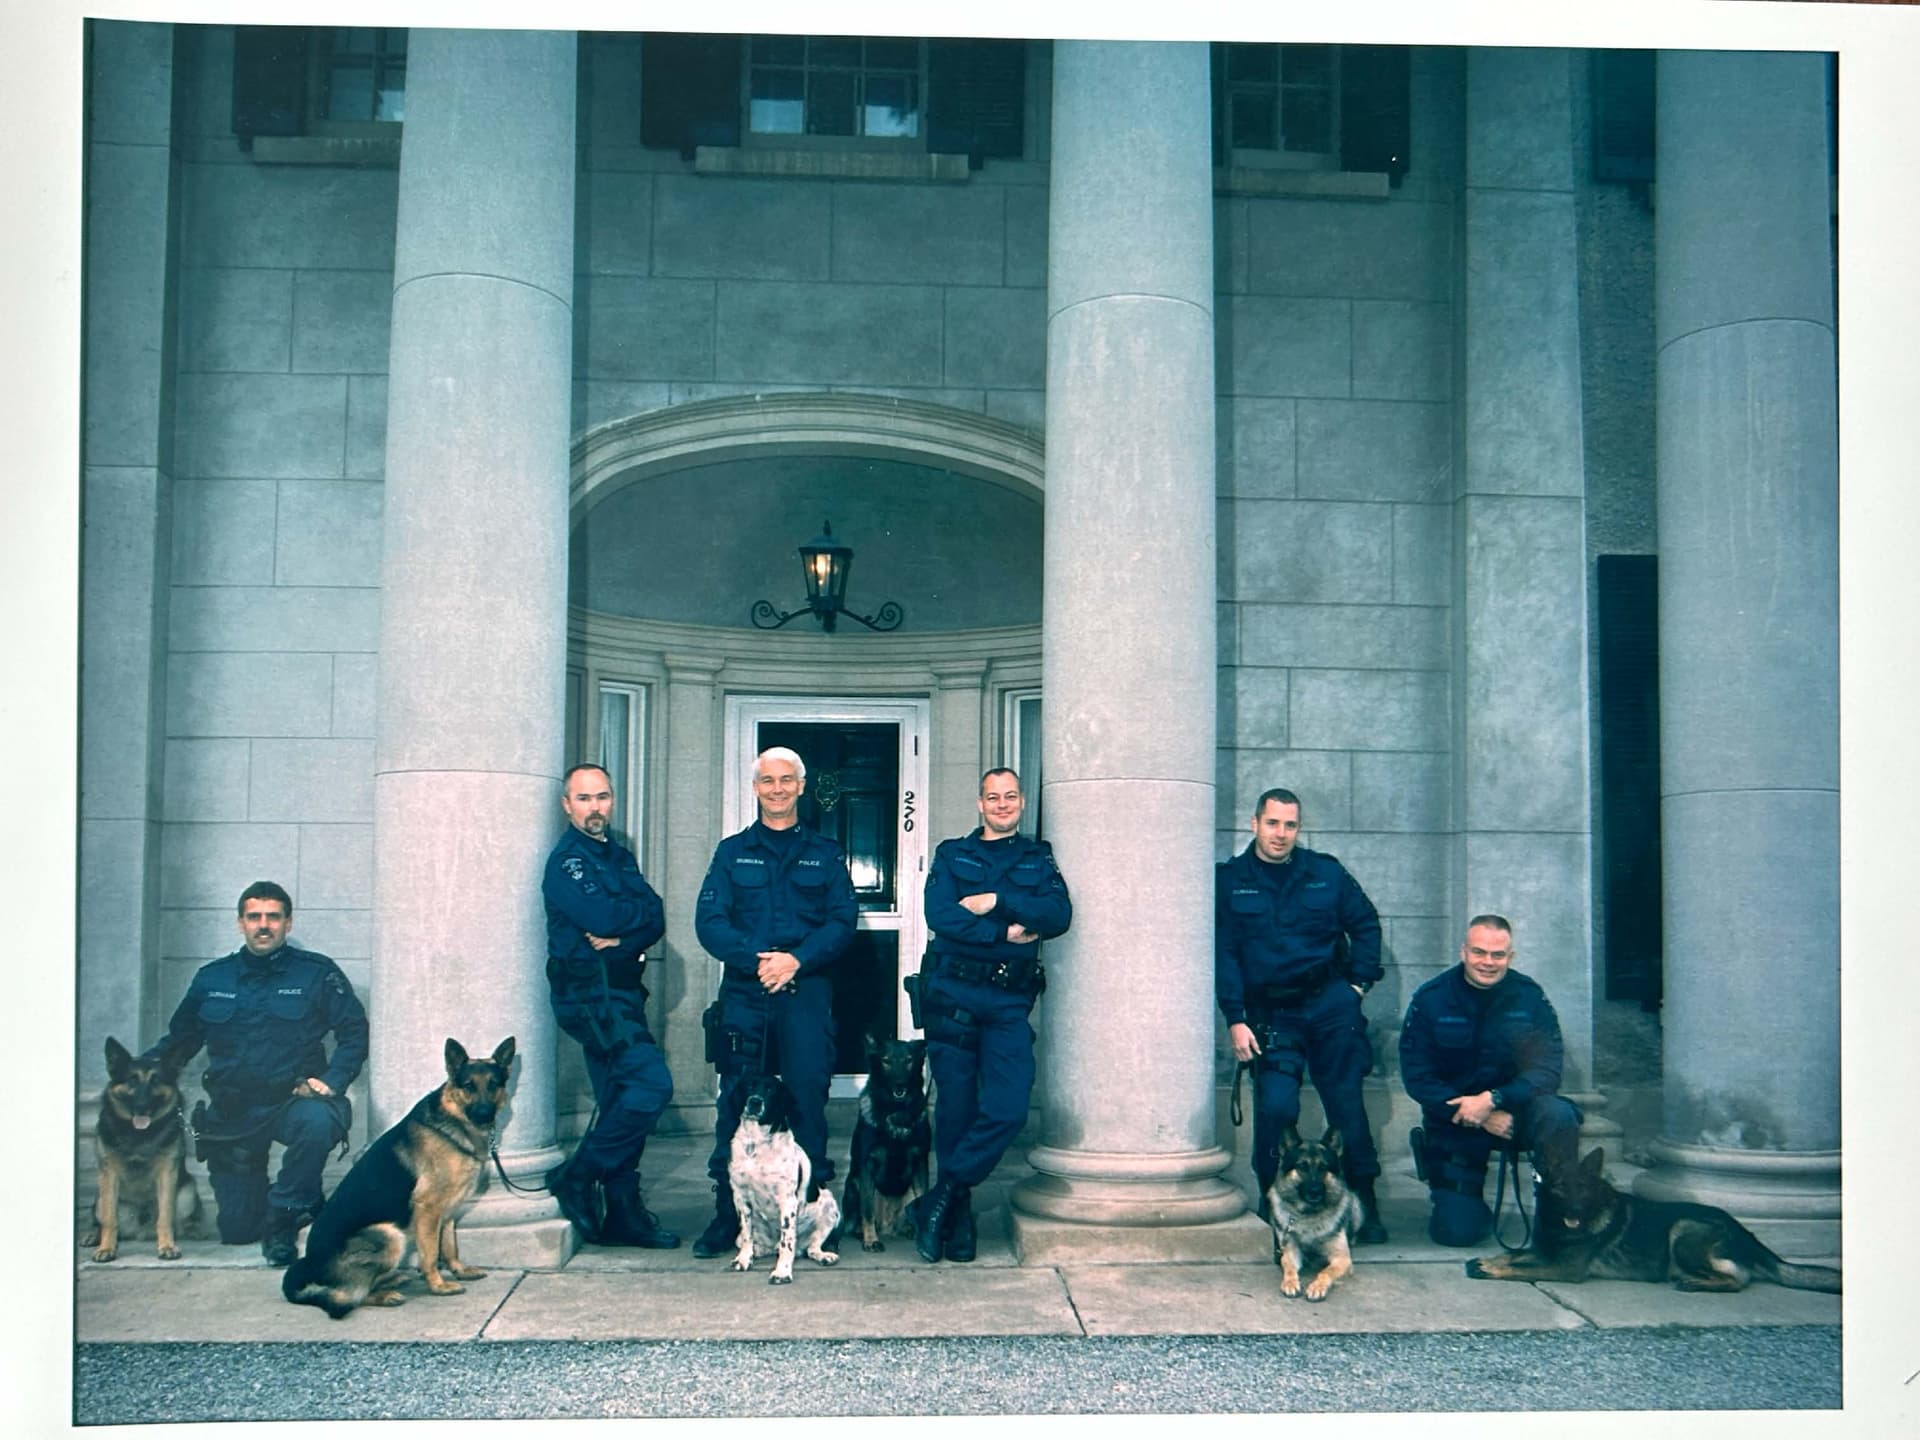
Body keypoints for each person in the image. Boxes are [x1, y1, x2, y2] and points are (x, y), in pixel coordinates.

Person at [690, 746, 858, 1258]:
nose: (778, 789)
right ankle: (727, 1215)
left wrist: (796, 961)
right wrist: (756, 961)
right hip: (746, 992)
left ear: (802, 786)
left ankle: (811, 1209)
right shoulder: (731, 852)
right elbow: (710, 922)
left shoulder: (825, 855)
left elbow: (841, 921)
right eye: (768, 781)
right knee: (736, 1101)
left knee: (806, 1096)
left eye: (787, 780)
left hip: (805, 992)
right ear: (756, 787)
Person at [147, 880, 368, 1266]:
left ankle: (284, 1217)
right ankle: (300, 1201)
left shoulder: (316, 973)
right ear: (240, 923)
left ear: (288, 923)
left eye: (273, 917)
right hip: (234, 1111)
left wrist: (333, 1080)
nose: (263, 925)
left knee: (317, 1122)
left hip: (292, 1101)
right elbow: (179, 1042)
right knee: (237, 1230)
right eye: (254, 917)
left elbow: (354, 1031)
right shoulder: (212, 979)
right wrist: (140, 1072)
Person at [909, 767, 1072, 1263]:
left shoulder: (1037, 857)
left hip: (1007, 1003)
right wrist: (1002, 933)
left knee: (1008, 1108)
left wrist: (998, 899)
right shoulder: (952, 854)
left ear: (1021, 803)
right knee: (955, 1110)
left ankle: (942, 1196)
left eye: (1010, 797)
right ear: (979, 804)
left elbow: (1058, 916)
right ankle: (955, 1220)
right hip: (954, 995)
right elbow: (941, 915)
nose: (1002, 805)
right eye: (992, 797)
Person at [1216, 788, 1389, 1244]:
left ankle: (1364, 1205)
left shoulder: (1325, 874)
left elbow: (1366, 924)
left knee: (1346, 1106)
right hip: (1271, 1014)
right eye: (1272, 823)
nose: (1281, 834)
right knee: (1276, 1108)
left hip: (1330, 1006)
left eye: (1290, 825)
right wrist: (1235, 1017)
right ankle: (1273, 1202)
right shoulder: (1230, 880)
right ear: (1254, 823)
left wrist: (1357, 986)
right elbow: (1225, 954)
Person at [541, 762, 679, 1248]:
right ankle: (578, 1176)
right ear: (567, 805)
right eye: (584, 799)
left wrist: (620, 938)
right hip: (590, 996)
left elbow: (656, 914)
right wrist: (630, 923)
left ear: (612, 800)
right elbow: (601, 912)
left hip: (619, 989)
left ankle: (622, 1211)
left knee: (620, 1100)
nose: (595, 807)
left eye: (602, 797)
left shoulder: (617, 855)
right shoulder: (568, 863)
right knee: (651, 1085)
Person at [1398, 913, 1583, 1246]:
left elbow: (1547, 1070)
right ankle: (1464, 1202)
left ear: (1510, 957)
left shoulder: (1529, 998)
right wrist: (1482, 1115)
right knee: (1457, 1233)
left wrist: (1495, 1100)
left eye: (1498, 955)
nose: (1487, 962)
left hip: (1516, 1112)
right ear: (1463, 952)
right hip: (1456, 1119)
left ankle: (1557, 1212)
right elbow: (1418, 1077)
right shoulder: (1431, 999)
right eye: (1479, 952)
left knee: (1558, 1113)